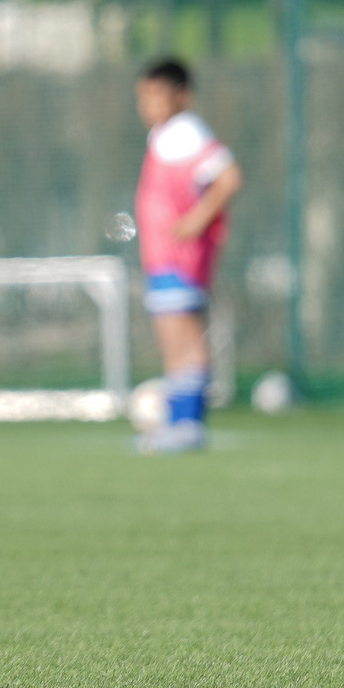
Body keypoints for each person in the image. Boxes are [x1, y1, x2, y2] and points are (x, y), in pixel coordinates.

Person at [131, 56, 244, 455]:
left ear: (181, 96)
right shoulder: (164, 135)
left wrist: (197, 219)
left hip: (180, 256)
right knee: (170, 341)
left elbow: (228, 177)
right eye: (142, 97)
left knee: (185, 338)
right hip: (162, 255)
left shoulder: (185, 131)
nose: (147, 105)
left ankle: (188, 425)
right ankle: (177, 423)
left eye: (156, 96)